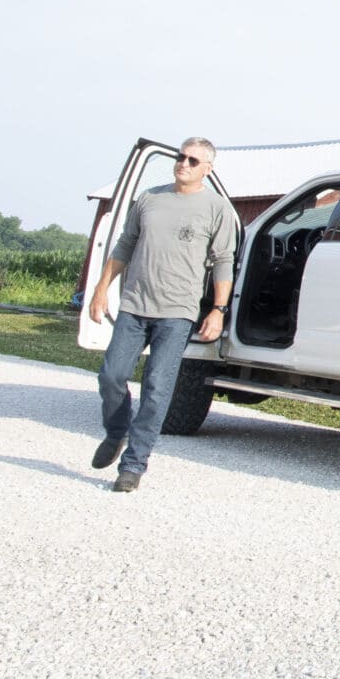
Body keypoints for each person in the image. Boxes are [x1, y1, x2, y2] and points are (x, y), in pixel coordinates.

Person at [88, 137, 238, 492]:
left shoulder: (217, 209)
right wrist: (100, 289)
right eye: (180, 157)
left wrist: (218, 310)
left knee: (156, 389)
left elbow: (223, 262)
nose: (183, 164)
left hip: (177, 313)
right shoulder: (149, 199)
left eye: (192, 160)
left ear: (207, 168)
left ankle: (133, 465)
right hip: (135, 304)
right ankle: (116, 432)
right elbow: (125, 243)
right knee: (112, 376)